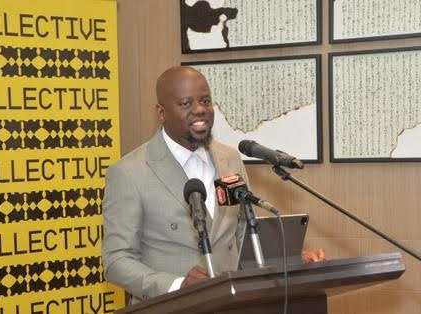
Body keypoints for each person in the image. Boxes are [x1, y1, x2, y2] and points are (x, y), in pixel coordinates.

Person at [102, 66, 324, 302]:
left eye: (205, 101)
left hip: (232, 305)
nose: (200, 110)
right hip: (170, 306)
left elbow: (241, 234)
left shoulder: (229, 159)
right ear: (161, 112)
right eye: (186, 104)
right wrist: (177, 285)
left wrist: (288, 259)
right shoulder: (129, 173)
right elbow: (116, 260)